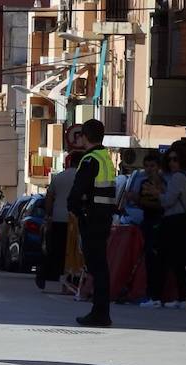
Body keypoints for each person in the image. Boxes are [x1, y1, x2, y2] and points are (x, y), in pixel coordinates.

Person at [67, 119, 116, 327]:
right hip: (104, 218)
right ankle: (101, 311)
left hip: (92, 218)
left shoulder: (89, 160)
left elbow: (76, 193)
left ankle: (100, 313)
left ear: (83, 136)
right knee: (101, 267)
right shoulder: (106, 157)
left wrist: (77, 211)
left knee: (96, 267)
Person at [143, 142, 186, 309]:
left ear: (182, 159)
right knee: (178, 263)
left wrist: (157, 193)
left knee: (161, 261)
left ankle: (156, 298)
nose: (171, 163)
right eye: (169, 159)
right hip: (181, 222)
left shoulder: (177, 177)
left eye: (175, 159)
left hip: (173, 222)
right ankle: (182, 299)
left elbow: (168, 201)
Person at [36, 151, 82, 290]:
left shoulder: (59, 177)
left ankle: (45, 274)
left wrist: (48, 214)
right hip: (75, 219)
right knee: (73, 251)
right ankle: (68, 280)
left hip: (58, 218)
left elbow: (49, 198)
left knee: (55, 249)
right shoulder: (83, 177)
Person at [131, 152, 166, 306]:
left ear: (158, 167)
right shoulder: (143, 182)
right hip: (147, 222)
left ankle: (155, 296)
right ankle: (150, 294)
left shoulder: (163, 184)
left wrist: (141, 200)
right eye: (146, 166)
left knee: (155, 260)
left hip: (157, 224)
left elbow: (162, 204)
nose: (149, 169)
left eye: (152, 166)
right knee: (149, 261)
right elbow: (141, 203)